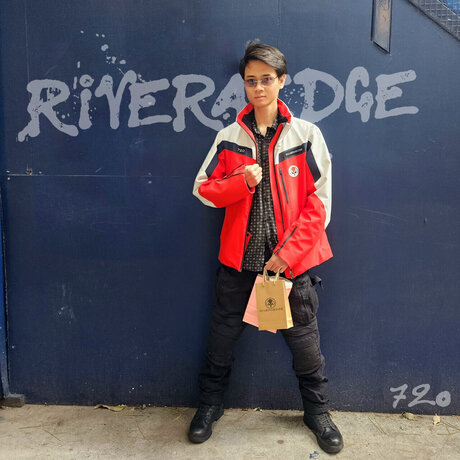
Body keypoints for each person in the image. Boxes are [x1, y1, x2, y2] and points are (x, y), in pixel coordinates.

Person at [189, 41, 343, 455]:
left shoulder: (305, 135)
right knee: (221, 343)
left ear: (281, 81)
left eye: (266, 79)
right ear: (244, 84)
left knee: (306, 347)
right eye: (251, 80)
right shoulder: (228, 137)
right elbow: (203, 190)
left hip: (288, 268)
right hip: (239, 265)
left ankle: (317, 412)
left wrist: (287, 255)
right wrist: (241, 182)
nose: (258, 88)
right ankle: (209, 406)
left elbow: (320, 204)